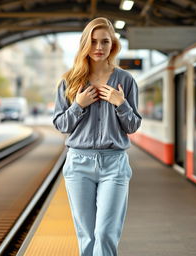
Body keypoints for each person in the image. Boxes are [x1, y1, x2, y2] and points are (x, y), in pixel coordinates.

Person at [53, 17, 142, 256]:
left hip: (114, 164)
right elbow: (60, 124)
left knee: (105, 233)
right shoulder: (69, 81)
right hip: (79, 163)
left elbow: (133, 125)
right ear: (85, 44)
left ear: (113, 44)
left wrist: (121, 103)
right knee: (87, 235)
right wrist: (78, 105)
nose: (99, 48)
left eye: (105, 42)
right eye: (93, 42)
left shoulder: (125, 80)